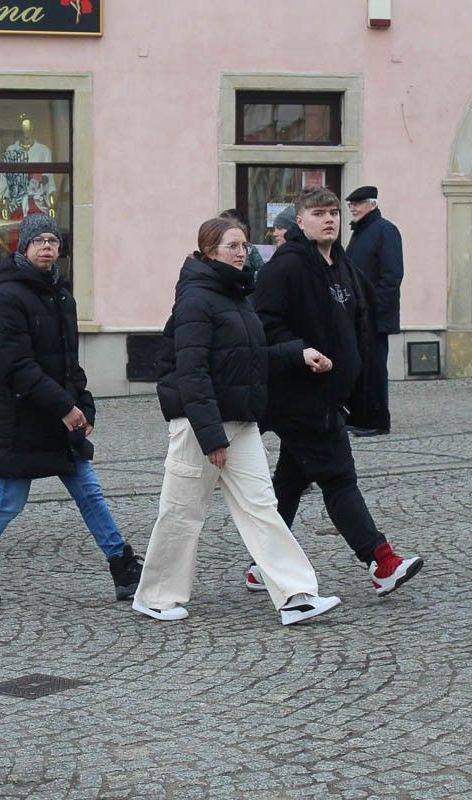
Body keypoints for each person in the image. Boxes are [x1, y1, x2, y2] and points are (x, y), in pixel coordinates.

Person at [132, 218, 341, 625]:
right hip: (199, 423)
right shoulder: (196, 299)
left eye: (244, 245)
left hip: (240, 421)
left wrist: (298, 354)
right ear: (209, 250)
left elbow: (249, 356)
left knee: (262, 506)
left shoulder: (236, 296)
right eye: (232, 245)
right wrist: (211, 436)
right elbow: (191, 373)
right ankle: (155, 596)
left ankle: (296, 595)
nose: (242, 252)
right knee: (182, 511)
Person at [0, 213, 142, 606]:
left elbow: (68, 360)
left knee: (88, 489)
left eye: (53, 240)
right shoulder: (6, 297)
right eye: (38, 241)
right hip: (20, 416)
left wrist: (83, 404)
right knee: (9, 499)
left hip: (56, 413)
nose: (47, 246)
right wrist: (65, 407)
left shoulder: (61, 295)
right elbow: (16, 366)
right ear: (24, 247)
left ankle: (122, 566)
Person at [250, 186, 422, 596]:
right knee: (339, 478)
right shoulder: (284, 268)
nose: (329, 219)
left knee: (290, 482)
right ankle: (382, 562)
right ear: (301, 220)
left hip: (333, 394)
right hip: (298, 395)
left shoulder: (343, 266)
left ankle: (261, 566)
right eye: (319, 213)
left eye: (333, 213)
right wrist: (300, 351)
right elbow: (264, 328)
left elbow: (359, 324)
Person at [344, 185, 403, 437]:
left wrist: (372, 308)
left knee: (375, 368)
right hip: (358, 313)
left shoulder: (385, 230)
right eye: (351, 205)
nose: (353, 208)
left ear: (373, 204)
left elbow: (392, 275)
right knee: (361, 367)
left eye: (358, 204)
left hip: (375, 315)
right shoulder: (361, 231)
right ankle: (360, 416)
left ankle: (378, 420)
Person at [219, 209, 265, 275]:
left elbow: (263, 273)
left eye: (243, 246)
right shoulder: (208, 276)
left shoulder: (250, 250)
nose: (242, 254)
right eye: (233, 246)